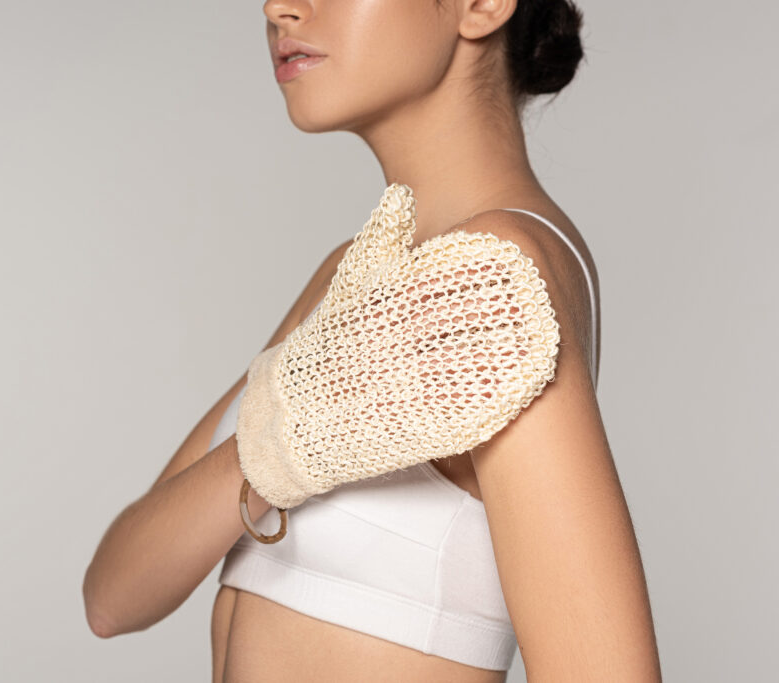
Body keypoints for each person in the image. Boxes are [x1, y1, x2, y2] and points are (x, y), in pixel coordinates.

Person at [83, 1, 662, 681]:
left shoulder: (493, 282)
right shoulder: (350, 271)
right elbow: (113, 597)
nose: (279, 8)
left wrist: (287, 438)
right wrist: (278, 445)